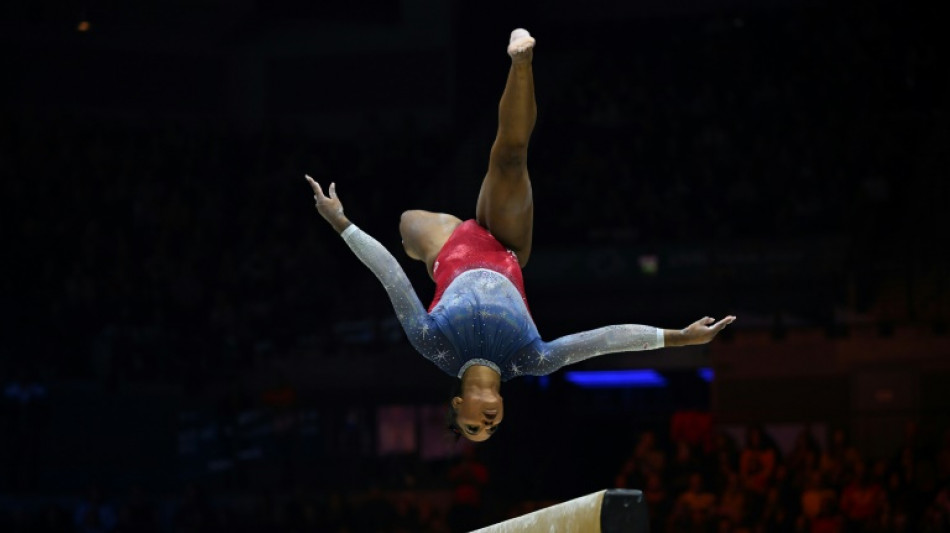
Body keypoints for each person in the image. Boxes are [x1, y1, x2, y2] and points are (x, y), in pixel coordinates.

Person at [305, 28, 735, 442]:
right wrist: (679, 337)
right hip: (504, 246)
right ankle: (522, 61)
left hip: (448, 253)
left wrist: (342, 223)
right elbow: (604, 340)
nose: (487, 425)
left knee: (406, 222)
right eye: (491, 431)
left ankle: (443, 227)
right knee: (509, 158)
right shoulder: (531, 359)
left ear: (458, 403)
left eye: (474, 427)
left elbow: (392, 277)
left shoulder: (433, 345)